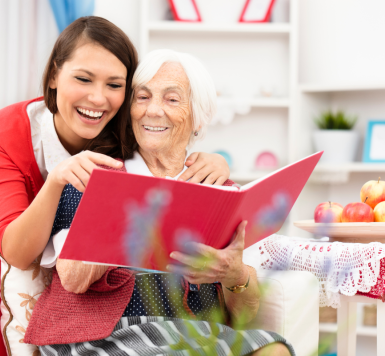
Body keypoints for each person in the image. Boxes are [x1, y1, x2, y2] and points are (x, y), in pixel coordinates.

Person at [24, 49, 295, 356]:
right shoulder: (93, 177)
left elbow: (245, 314)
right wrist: (126, 219)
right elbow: (72, 278)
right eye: (142, 97)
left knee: (274, 350)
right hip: (105, 333)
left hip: (192, 333)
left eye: (172, 99)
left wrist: (233, 274)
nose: (152, 110)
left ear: (198, 117)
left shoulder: (222, 192)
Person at [0, 16, 230, 272]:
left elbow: (172, 154)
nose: (98, 99)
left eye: (114, 85)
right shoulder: (2, 133)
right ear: (54, 75)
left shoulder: (132, 123)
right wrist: (56, 180)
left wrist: (213, 161)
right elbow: (16, 255)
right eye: (83, 79)